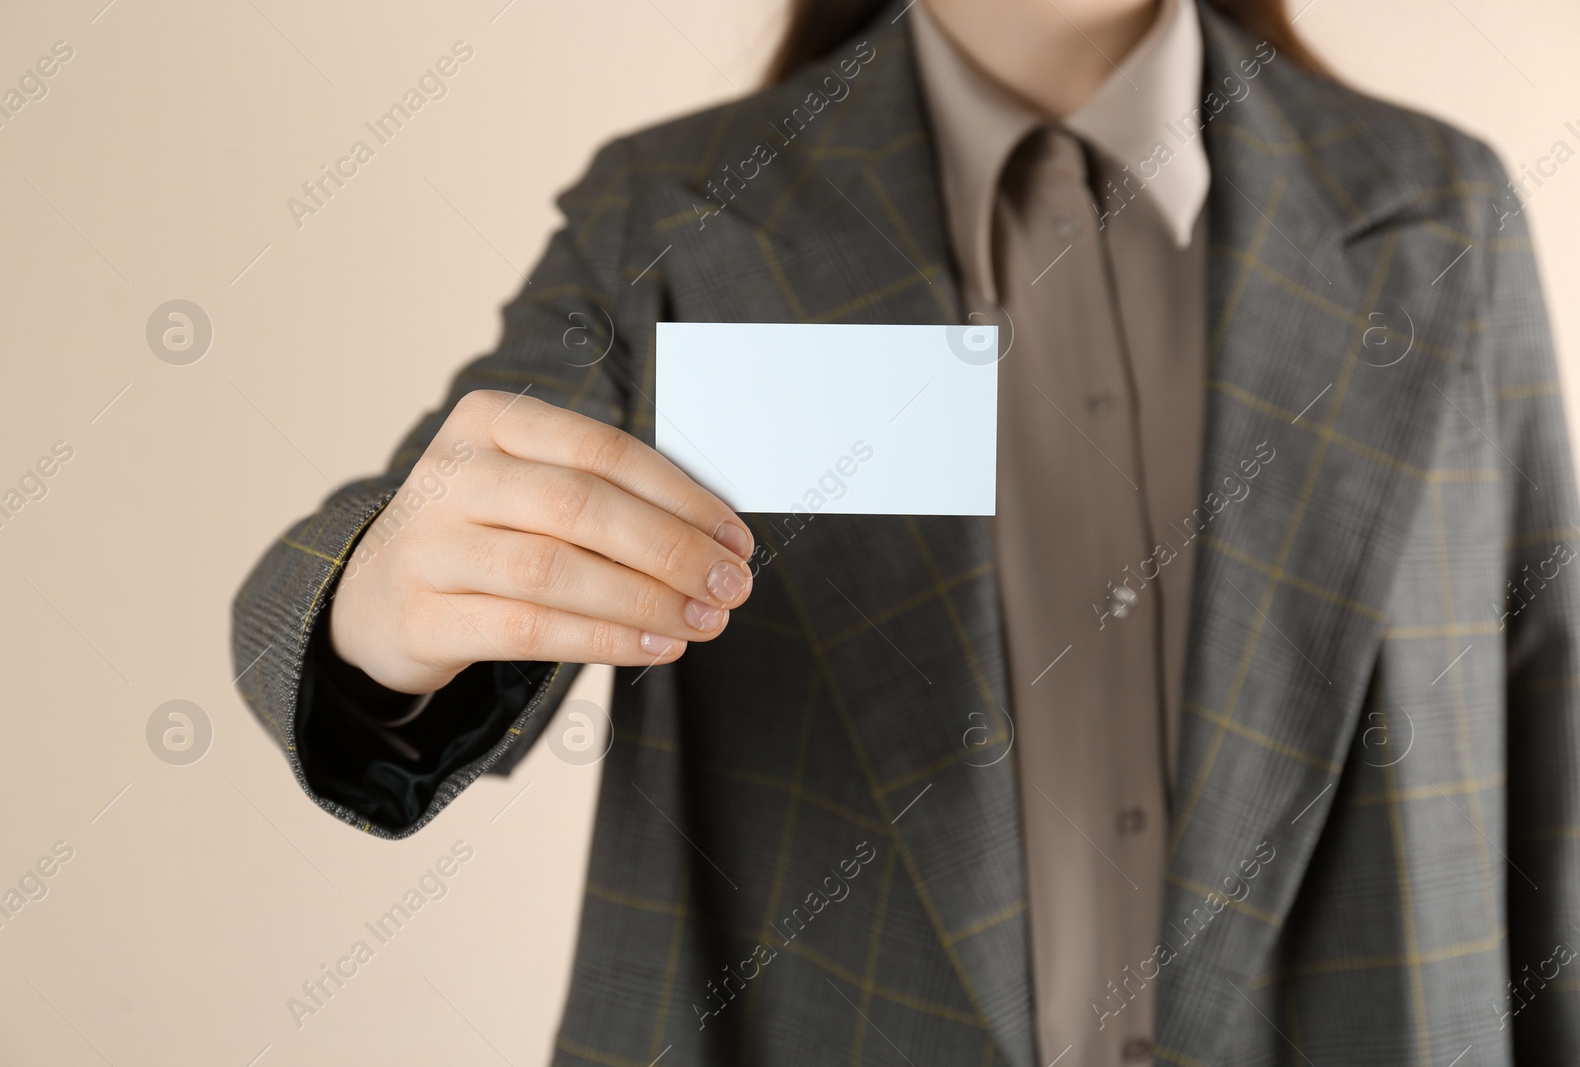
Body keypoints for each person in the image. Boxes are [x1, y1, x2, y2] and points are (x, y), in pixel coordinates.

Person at [231, 0, 1580, 1062]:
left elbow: (1551, 715)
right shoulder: (683, 216)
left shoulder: (1440, 212)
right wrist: (380, 608)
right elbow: (439, 511)